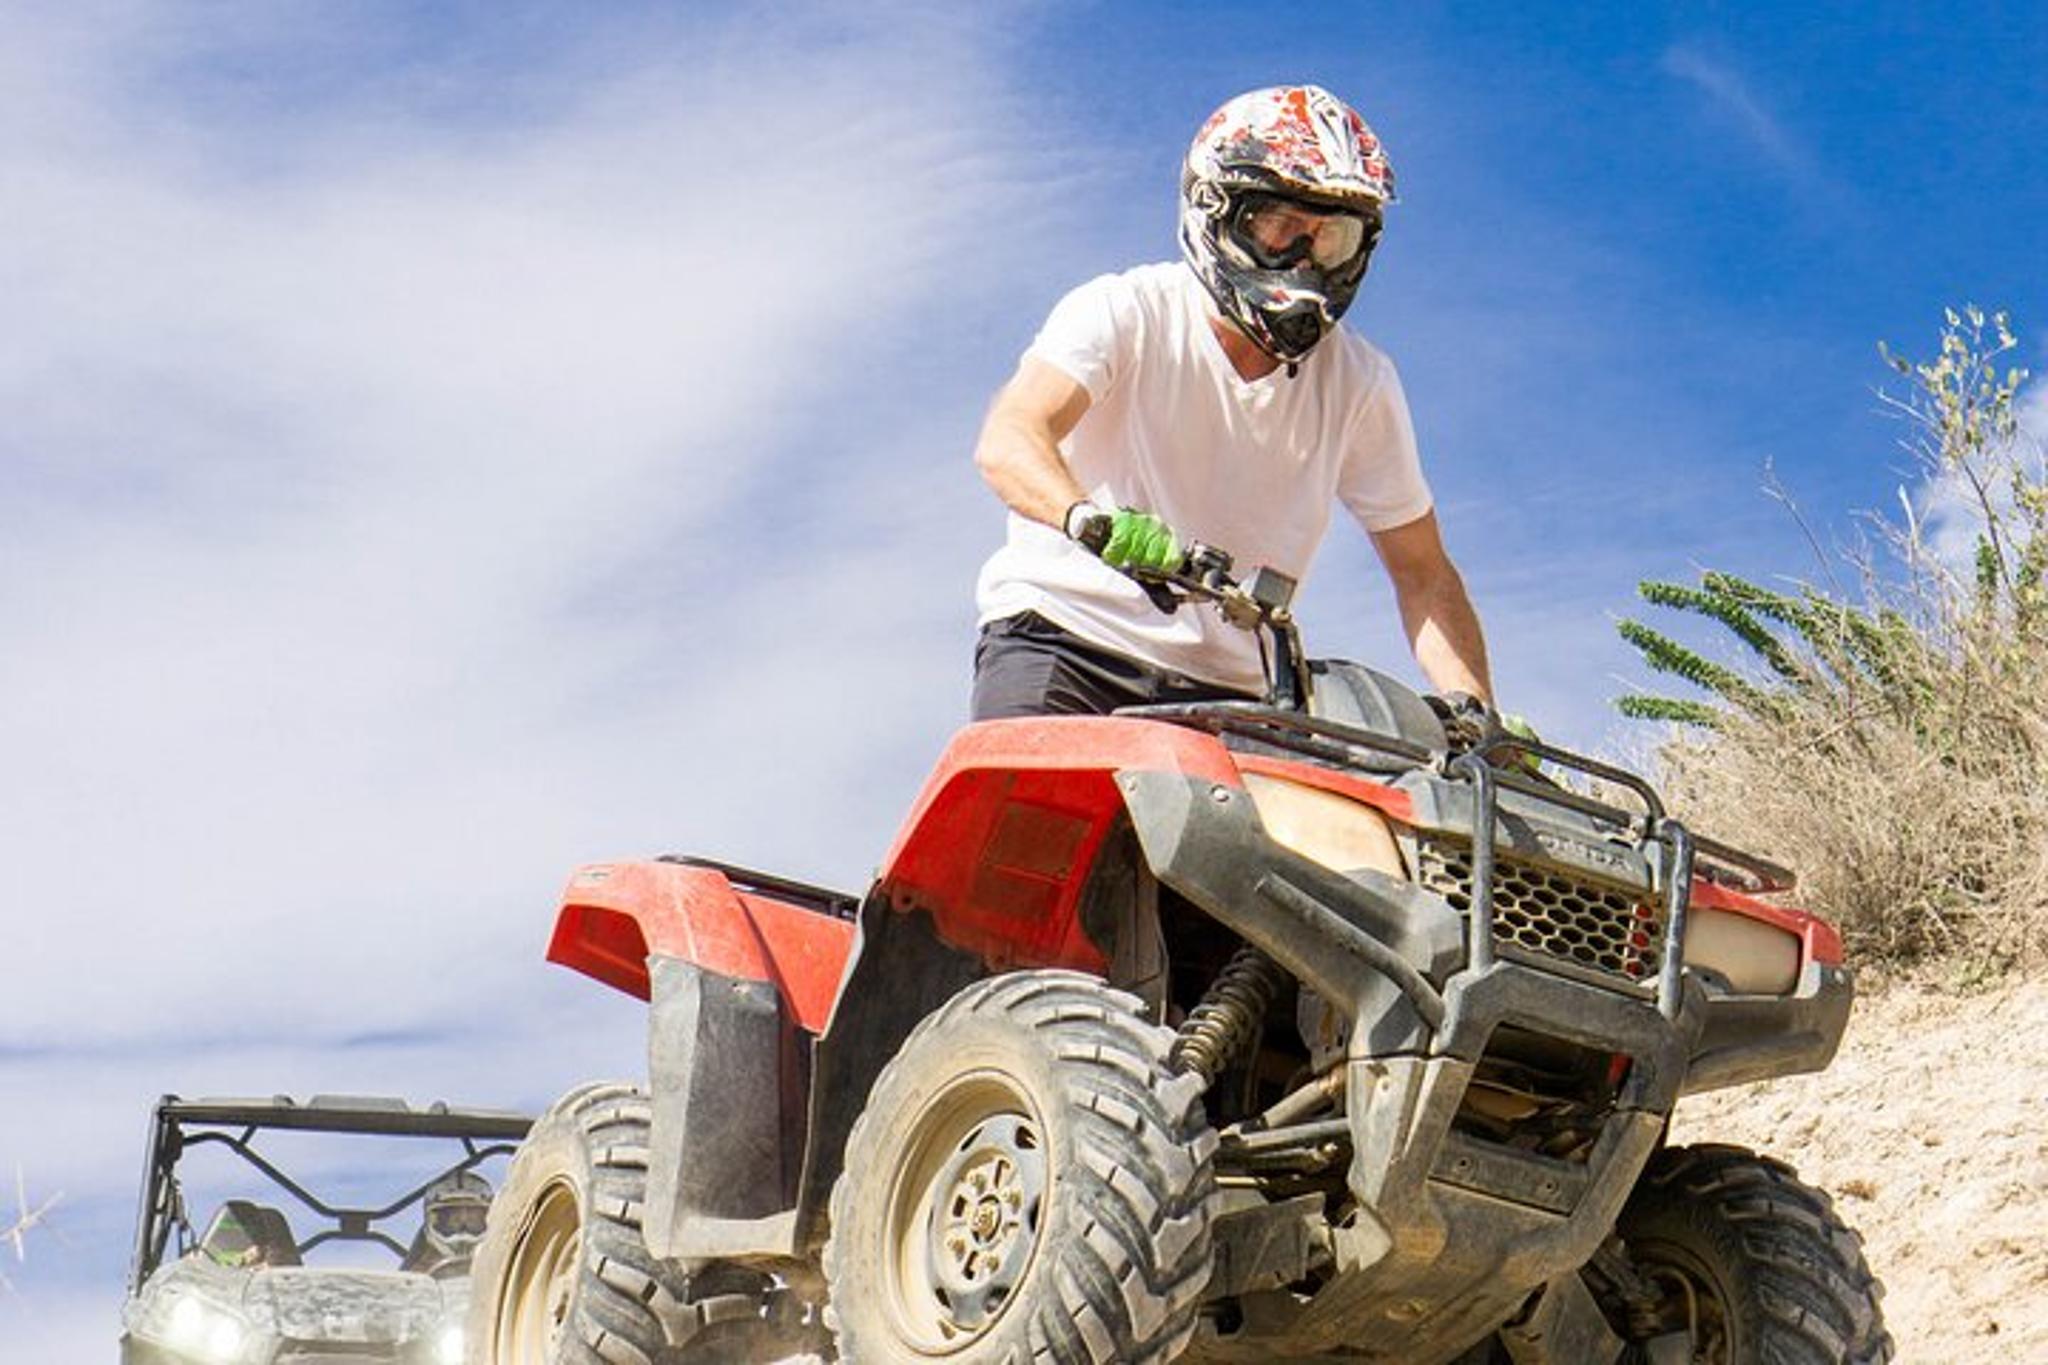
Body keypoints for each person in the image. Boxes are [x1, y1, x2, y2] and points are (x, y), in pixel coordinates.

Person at [970, 84, 1493, 721]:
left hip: (1236, 692)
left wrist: (1476, 714)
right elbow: (1013, 436)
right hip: (1068, 642)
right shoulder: (1127, 310)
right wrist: (1090, 522)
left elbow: (1423, 571)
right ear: (1216, 212)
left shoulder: (1360, 382)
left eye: (1331, 240)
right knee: (1032, 814)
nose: (1304, 260)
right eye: (1279, 229)